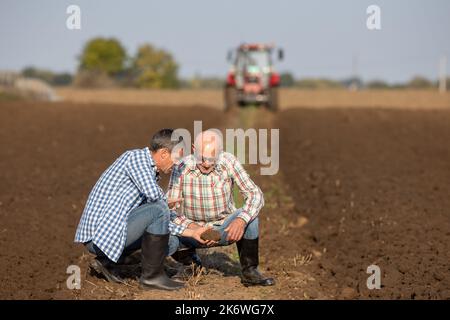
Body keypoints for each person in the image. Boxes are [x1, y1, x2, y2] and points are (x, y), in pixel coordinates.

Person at [74, 129, 211, 291]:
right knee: (159, 208)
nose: (177, 164)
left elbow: (158, 217)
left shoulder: (149, 171)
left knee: (171, 242)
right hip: (98, 236)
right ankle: (152, 278)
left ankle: (106, 262)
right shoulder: (136, 159)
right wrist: (165, 202)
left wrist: (191, 232)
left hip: (114, 231)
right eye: (177, 157)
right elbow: (156, 200)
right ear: (164, 153)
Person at [167, 130, 275, 286]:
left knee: (250, 216)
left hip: (224, 228)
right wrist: (193, 227)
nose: (206, 163)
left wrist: (240, 220)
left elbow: (255, 194)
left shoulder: (228, 162)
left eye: (212, 158)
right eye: (201, 157)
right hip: (192, 232)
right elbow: (169, 209)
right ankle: (190, 265)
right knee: (163, 227)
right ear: (193, 149)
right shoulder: (181, 167)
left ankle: (250, 271)